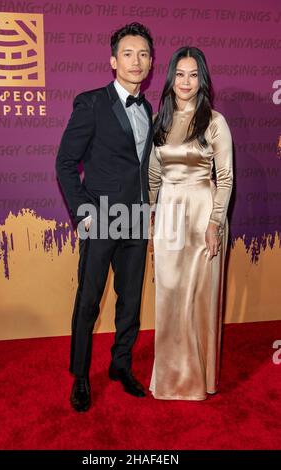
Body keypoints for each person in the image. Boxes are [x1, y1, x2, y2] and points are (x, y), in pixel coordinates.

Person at [56, 23, 154, 412]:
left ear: (150, 63)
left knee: (130, 301)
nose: (136, 60)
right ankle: (80, 375)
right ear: (114, 61)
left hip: (136, 219)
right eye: (128, 53)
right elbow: (65, 164)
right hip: (102, 218)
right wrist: (84, 214)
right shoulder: (91, 103)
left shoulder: (148, 109)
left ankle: (121, 364)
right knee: (89, 300)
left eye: (143, 54)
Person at [149, 47, 233, 400]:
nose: (186, 82)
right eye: (180, 74)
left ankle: (201, 379)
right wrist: (151, 218)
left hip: (202, 212)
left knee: (200, 296)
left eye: (193, 74)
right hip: (168, 212)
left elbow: (225, 177)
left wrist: (215, 221)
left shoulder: (215, 121)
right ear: (171, 79)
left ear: (203, 80)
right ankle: (167, 379)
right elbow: (154, 175)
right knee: (167, 294)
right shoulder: (161, 121)